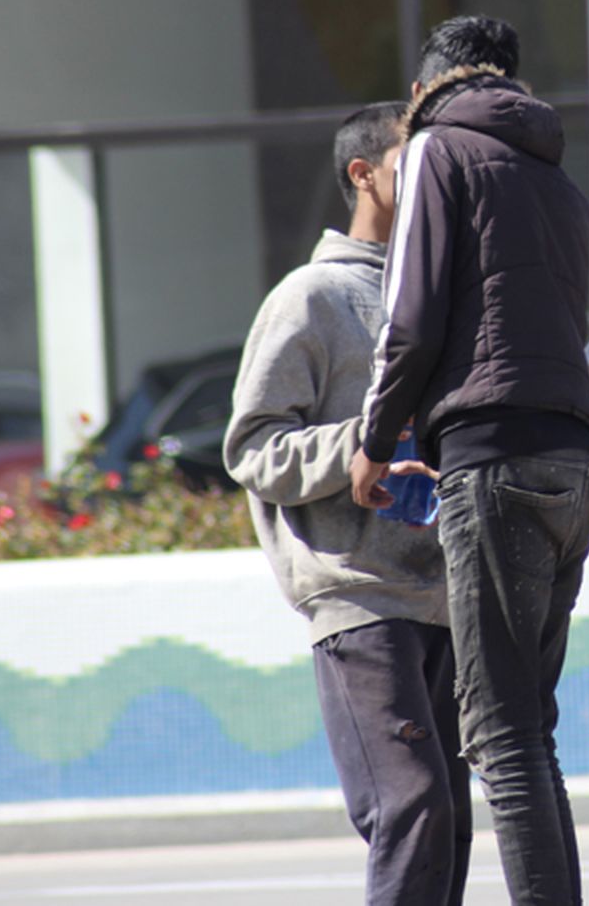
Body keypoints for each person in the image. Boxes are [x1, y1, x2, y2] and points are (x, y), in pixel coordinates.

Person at [348, 15, 589, 906]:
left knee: (498, 734)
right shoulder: (554, 175)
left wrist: (374, 443)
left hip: (492, 458)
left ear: (425, 89)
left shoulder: (437, 151)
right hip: (574, 464)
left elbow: (407, 317)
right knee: (529, 729)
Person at [224, 101, 470, 906]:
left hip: (447, 594)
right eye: (413, 163)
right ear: (363, 175)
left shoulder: (445, 292)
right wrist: (363, 446)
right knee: (411, 804)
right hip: (358, 595)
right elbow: (251, 449)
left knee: (452, 819)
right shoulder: (311, 298)